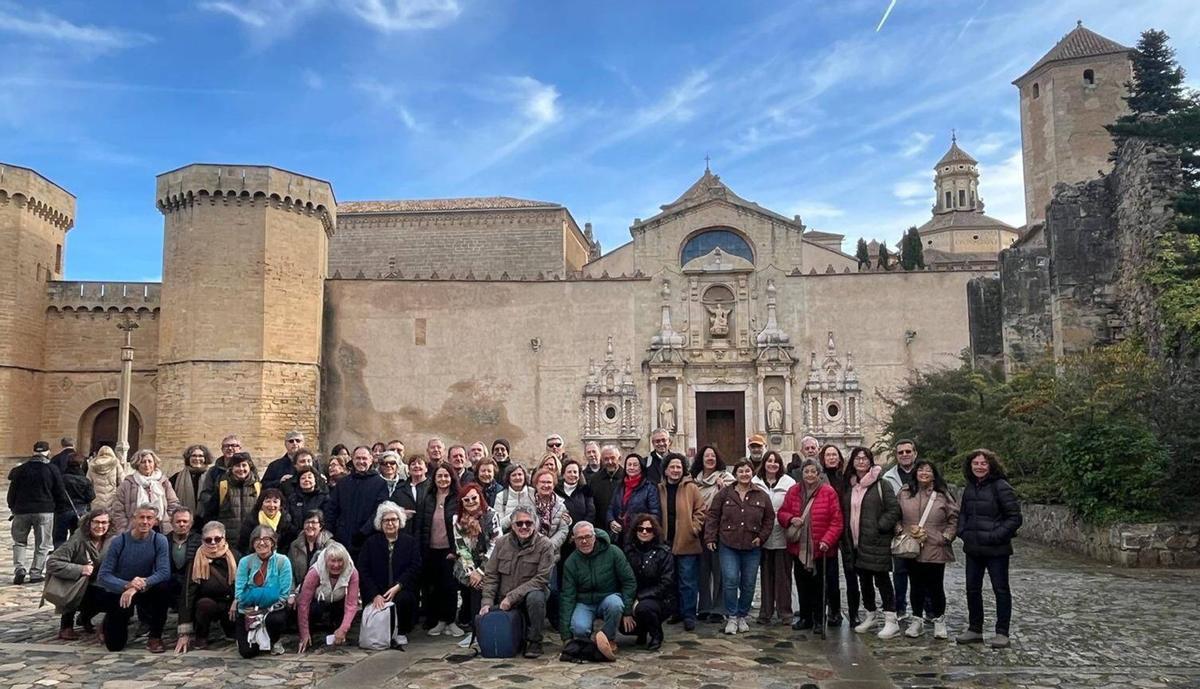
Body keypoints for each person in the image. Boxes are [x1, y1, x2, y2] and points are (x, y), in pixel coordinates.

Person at [956, 449, 1022, 649]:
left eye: (983, 463)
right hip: (973, 548)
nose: (979, 467)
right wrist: (963, 532)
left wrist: (995, 536)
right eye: (975, 463)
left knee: (1000, 590)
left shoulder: (1001, 486)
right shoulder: (970, 487)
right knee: (972, 589)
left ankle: (1002, 632)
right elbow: (963, 514)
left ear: (991, 465)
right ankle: (975, 629)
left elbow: (1014, 518)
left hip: (996, 549)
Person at [703, 459, 774, 635]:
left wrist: (762, 537)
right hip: (728, 544)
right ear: (735, 474)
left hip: (752, 545)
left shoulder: (761, 495)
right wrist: (710, 537)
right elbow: (713, 516)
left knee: (748, 583)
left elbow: (769, 518)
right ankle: (732, 616)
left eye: (747, 471)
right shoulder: (724, 494)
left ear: (752, 473)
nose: (744, 474)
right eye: (741, 471)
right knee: (730, 580)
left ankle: (742, 615)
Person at [479, 505, 556, 658]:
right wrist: (487, 602)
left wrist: (512, 597)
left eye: (528, 523)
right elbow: (491, 575)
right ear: (512, 525)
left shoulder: (545, 545)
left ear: (535, 524)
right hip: (503, 596)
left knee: (536, 597)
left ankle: (535, 641)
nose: (524, 526)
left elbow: (542, 579)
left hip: (530, 595)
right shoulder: (501, 543)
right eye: (519, 523)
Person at [778, 459, 843, 637]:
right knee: (802, 584)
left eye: (813, 471)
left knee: (820, 586)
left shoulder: (828, 492)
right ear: (802, 473)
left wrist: (827, 540)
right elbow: (782, 513)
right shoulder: (794, 491)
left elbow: (836, 521)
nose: (810, 475)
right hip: (799, 548)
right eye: (806, 471)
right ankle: (805, 617)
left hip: (822, 548)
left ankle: (819, 619)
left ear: (819, 474)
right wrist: (791, 519)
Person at [897, 459, 959, 640]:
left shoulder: (942, 494)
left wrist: (946, 537)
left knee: (935, 585)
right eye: (921, 470)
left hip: (935, 545)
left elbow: (954, 518)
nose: (924, 473)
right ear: (915, 472)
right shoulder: (905, 492)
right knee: (915, 585)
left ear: (934, 474)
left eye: (928, 470)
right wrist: (899, 529)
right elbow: (895, 514)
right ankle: (917, 621)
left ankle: (939, 620)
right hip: (911, 545)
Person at [97, 504, 172, 652]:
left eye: (149, 518)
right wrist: (127, 585)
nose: (145, 522)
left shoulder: (159, 540)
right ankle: (106, 624)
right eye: (141, 517)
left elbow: (164, 572)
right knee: (114, 646)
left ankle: (155, 636)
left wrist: (139, 585)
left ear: (155, 521)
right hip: (122, 591)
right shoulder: (119, 541)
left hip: (147, 589)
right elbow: (103, 575)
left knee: (163, 589)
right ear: (134, 519)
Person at [844, 446, 902, 639]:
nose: (861, 461)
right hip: (856, 542)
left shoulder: (882, 484)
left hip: (876, 540)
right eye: (857, 458)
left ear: (870, 461)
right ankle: (871, 615)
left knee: (882, 580)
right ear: (852, 462)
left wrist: (880, 527)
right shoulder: (852, 485)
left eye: (865, 458)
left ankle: (891, 619)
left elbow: (893, 510)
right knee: (864, 580)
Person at [559, 521, 636, 659]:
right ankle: (591, 643)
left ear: (594, 536)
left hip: (608, 597)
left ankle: (608, 639)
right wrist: (566, 636)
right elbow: (567, 597)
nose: (584, 541)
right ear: (574, 540)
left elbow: (629, 581)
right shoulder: (571, 562)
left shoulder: (613, 552)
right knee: (579, 629)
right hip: (584, 602)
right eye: (580, 538)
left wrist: (628, 611)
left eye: (588, 537)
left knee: (615, 604)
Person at [358, 501, 421, 648]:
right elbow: (363, 569)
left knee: (404, 599)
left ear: (400, 521)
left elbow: (415, 567)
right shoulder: (370, 543)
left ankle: (400, 632)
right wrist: (375, 594)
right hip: (377, 590)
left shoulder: (410, 542)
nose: (390, 523)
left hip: (400, 588)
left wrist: (398, 586)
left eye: (393, 519)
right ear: (380, 523)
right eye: (386, 520)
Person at [45, 508, 113, 640]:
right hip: (77, 583)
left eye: (104, 522)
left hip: (99, 582)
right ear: (89, 523)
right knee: (76, 587)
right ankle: (66, 626)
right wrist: (80, 569)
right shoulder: (77, 540)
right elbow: (52, 562)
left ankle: (86, 617)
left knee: (112, 594)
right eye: (96, 522)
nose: (100, 526)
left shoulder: (112, 541)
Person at [8, 440, 70, 584]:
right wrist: (59, 507)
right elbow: (60, 491)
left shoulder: (20, 469)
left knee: (19, 542)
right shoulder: (52, 469)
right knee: (42, 544)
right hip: (44, 510)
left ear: (33, 452)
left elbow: (12, 491)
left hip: (22, 510)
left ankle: (19, 568)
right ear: (48, 452)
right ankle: (36, 572)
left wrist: (12, 507)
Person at [174, 521, 239, 652]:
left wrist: (238, 599)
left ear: (224, 538)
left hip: (231, 604)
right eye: (208, 540)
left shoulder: (235, 556)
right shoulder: (195, 561)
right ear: (203, 541)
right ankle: (201, 635)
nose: (213, 543)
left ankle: (232, 629)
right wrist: (184, 632)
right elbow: (188, 594)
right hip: (208, 604)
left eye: (217, 539)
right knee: (204, 605)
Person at [657, 453, 705, 631]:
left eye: (679, 467)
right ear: (666, 470)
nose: (675, 470)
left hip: (686, 540)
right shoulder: (659, 488)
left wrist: (694, 528)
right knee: (670, 580)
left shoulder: (691, 488)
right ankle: (675, 611)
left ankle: (689, 615)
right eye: (672, 467)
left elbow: (701, 510)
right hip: (665, 541)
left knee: (687, 580)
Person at [451, 483, 500, 647]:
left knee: (487, 588)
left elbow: (495, 544)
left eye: (474, 498)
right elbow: (461, 548)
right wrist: (472, 572)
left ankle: (490, 629)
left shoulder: (491, 515)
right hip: (470, 563)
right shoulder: (457, 520)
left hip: (492, 561)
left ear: (480, 498)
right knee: (475, 588)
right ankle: (476, 631)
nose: (471, 502)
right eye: (466, 500)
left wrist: (481, 571)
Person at [233, 525, 293, 657]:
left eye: (266, 539)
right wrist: (268, 594)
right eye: (257, 539)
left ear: (273, 542)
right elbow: (240, 593)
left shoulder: (283, 561)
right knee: (247, 653)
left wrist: (257, 599)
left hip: (272, 610)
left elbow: (283, 595)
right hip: (248, 610)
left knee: (276, 619)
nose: (261, 543)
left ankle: (274, 640)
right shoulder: (245, 562)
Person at [418, 463, 462, 636]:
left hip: (449, 550)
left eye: (446, 476)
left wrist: (456, 550)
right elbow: (422, 524)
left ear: (451, 478)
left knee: (449, 587)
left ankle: (450, 621)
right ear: (434, 479)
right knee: (434, 587)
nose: (443, 479)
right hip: (431, 549)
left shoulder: (457, 498)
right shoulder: (428, 497)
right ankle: (439, 621)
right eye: (439, 476)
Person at [752, 450, 796, 626]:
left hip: (782, 535)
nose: (772, 464)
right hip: (762, 536)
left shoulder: (789, 483)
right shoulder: (755, 482)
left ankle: (785, 612)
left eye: (775, 461)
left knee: (783, 576)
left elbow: (794, 505)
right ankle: (766, 612)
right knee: (766, 576)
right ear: (764, 463)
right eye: (769, 461)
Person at [690, 445, 732, 622]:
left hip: (719, 529)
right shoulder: (693, 481)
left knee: (719, 569)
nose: (710, 459)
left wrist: (723, 488)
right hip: (699, 528)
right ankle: (704, 607)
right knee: (702, 569)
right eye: (706, 456)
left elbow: (733, 500)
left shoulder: (726, 479)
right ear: (701, 459)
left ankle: (719, 608)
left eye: (713, 456)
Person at [817, 443, 856, 627]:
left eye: (834, 455)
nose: (832, 458)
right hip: (829, 529)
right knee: (829, 573)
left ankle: (854, 612)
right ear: (823, 459)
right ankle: (833, 610)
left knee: (850, 572)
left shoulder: (847, 478)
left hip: (847, 528)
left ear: (840, 458)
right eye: (828, 455)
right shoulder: (819, 478)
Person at [623, 514, 675, 650]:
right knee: (623, 622)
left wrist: (641, 597)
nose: (644, 532)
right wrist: (628, 602)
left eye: (649, 529)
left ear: (655, 531)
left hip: (660, 598)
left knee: (644, 608)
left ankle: (656, 635)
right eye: (640, 529)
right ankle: (641, 631)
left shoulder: (663, 553)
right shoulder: (629, 551)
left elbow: (667, 583)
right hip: (633, 596)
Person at [296, 541, 360, 653]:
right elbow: (303, 603)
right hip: (318, 600)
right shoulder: (314, 572)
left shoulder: (353, 572)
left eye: (340, 561)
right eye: (333, 561)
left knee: (346, 615)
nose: (336, 565)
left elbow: (352, 604)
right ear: (326, 561)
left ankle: (339, 634)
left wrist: (343, 629)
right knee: (314, 610)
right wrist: (304, 633)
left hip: (339, 600)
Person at [326, 446, 388, 557]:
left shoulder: (380, 484)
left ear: (371, 459)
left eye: (364, 458)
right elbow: (332, 509)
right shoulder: (343, 483)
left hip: (368, 539)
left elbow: (379, 511)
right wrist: (332, 533)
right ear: (353, 460)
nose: (361, 461)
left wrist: (364, 532)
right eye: (358, 458)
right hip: (342, 539)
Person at [882, 439, 919, 622]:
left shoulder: (925, 473)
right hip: (900, 531)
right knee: (900, 572)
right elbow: (886, 505)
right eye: (901, 452)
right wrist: (894, 525)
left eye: (908, 451)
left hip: (923, 531)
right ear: (896, 455)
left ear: (915, 453)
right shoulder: (889, 478)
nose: (905, 455)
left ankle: (926, 610)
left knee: (923, 573)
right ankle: (900, 607)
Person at [110, 449, 181, 534]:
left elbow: (173, 504)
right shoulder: (127, 484)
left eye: (150, 461)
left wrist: (167, 520)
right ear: (137, 464)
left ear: (154, 464)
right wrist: (124, 529)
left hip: (160, 529)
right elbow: (117, 509)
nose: (147, 465)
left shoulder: (163, 482)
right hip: (134, 530)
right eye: (143, 462)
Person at [606, 453, 661, 546]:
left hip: (639, 536)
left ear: (641, 467)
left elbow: (655, 514)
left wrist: (639, 526)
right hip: (619, 536)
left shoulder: (649, 488)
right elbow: (611, 507)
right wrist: (611, 521)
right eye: (629, 465)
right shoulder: (620, 486)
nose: (631, 467)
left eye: (635, 465)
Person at [207, 452, 261, 539]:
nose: (241, 469)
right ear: (231, 468)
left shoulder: (257, 486)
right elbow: (212, 513)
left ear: (249, 467)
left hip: (251, 538)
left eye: (244, 465)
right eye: (237, 466)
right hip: (227, 538)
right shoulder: (222, 486)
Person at [556, 459, 595, 567]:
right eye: (569, 472)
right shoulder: (556, 490)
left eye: (575, 472)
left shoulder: (585, 490)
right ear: (563, 474)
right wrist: (568, 534)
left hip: (581, 538)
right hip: (561, 538)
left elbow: (591, 513)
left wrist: (577, 533)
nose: (572, 475)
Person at [237, 488, 296, 553]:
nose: (271, 505)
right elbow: (243, 545)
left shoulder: (286, 521)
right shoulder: (251, 520)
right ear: (261, 504)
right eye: (268, 501)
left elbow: (287, 546)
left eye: (275, 502)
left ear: (280, 506)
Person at [55, 454, 95, 547]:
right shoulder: (85, 480)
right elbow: (91, 496)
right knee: (77, 536)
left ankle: (59, 552)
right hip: (80, 510)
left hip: (63, 510)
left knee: (60, 537)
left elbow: (55, 494)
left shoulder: (61, 479)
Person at [288, 510, 333, 588]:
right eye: (307, 522)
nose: (310, 525)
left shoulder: (330, 545)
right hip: (299, 589)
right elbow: (290, 572)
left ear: (320, 526)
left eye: (313, 522)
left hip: (323, 590)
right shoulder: (294, 545)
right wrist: (292, 592)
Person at [166, 508, 201, 607]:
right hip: (169, 586)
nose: (182, 524)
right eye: (178, 521)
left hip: (191, 586)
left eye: (185, 521)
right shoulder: (164, 541)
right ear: (171, 523)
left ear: (191, 523)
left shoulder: (199, 541)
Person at [588, 445, 624, 540]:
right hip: (600, 530)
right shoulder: (594, 479)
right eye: (606, 459)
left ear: (619, 459)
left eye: (613, 458)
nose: (610, 462)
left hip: (623, 529)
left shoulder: (626, 477)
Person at [171, 445, 212, 522]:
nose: (197, 459)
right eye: (194, 456)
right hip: (183, 521)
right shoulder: (176, 478)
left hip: (207, 520)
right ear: (188, 458)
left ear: (206, 458)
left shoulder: (213, 476)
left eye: (200, 456)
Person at [87, 445, 131, 511]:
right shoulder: (115, 463)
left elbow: (88, 483)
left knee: (98, 516)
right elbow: (122, 481)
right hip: (112, 500)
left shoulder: (93, 465)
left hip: (97, 501)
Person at [496, 465, 534, 531]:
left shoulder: (533, 493)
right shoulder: (501, 496)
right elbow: (498, 525)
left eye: (520, 474)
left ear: (525, 476)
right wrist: (514, 515)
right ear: (508, 478)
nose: (517, 477)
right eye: (513, 475)